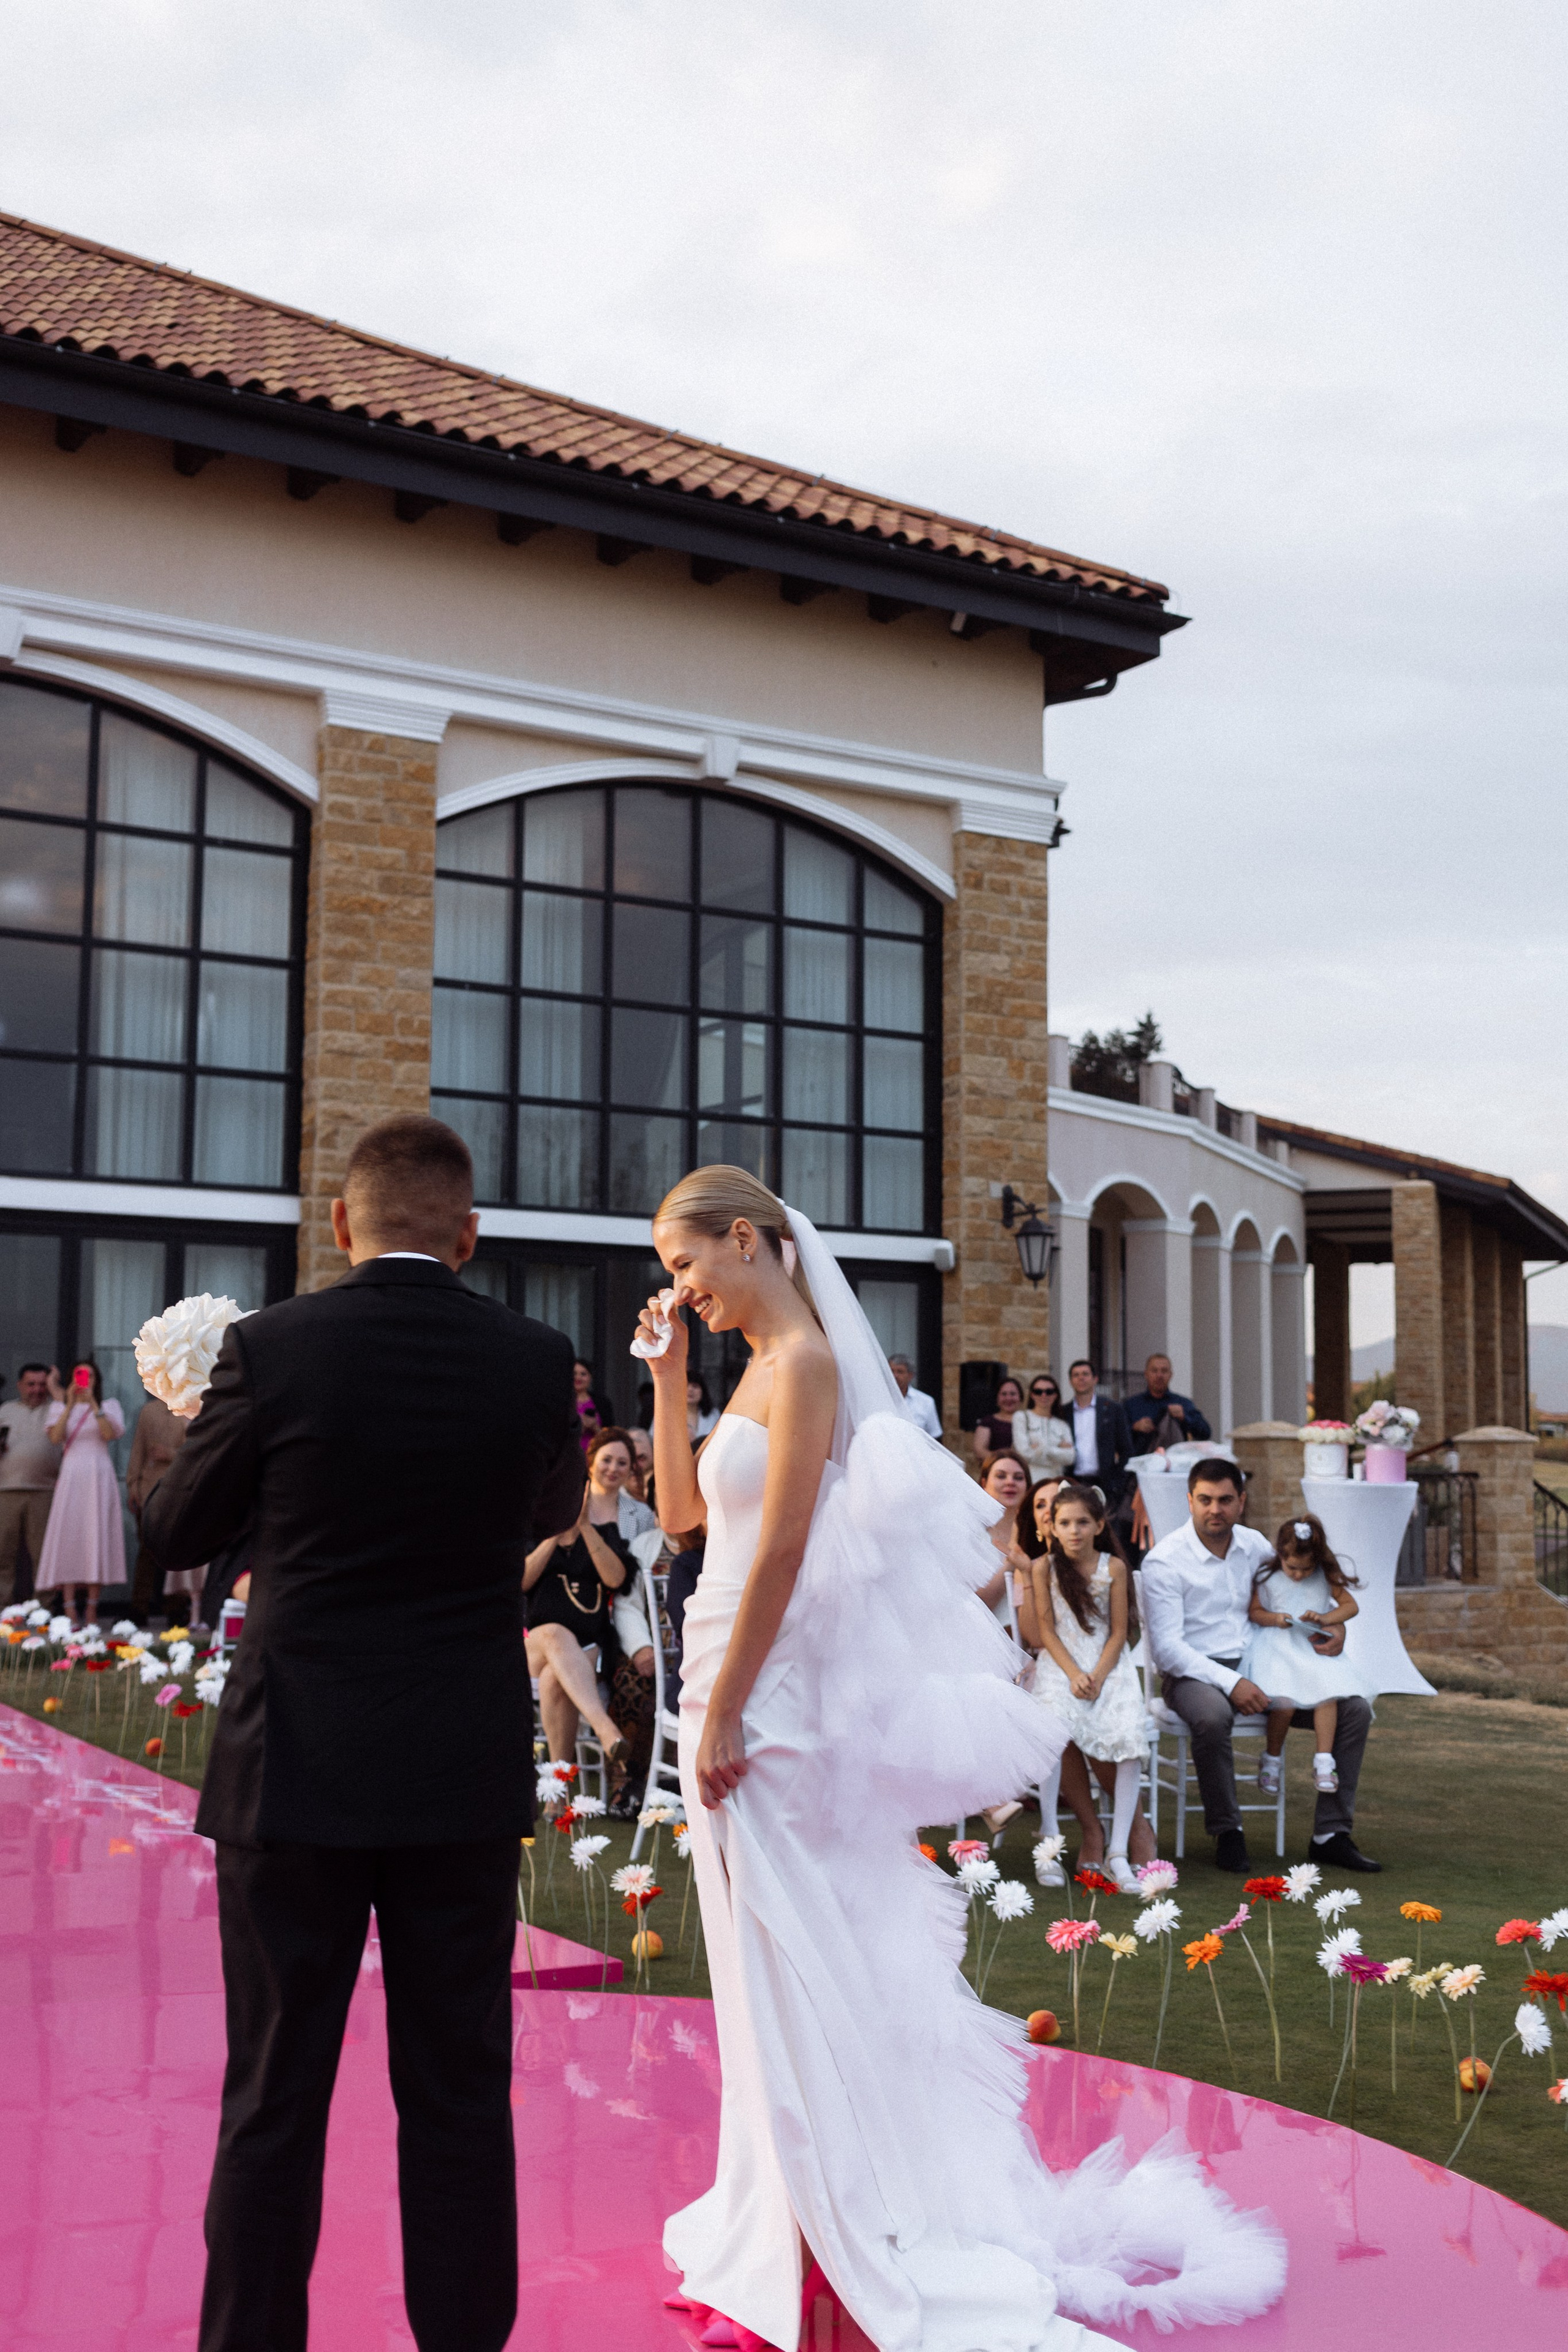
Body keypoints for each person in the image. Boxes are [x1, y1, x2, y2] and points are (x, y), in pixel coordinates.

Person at [640, 1166, 1284, 2349]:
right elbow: (688, 1523)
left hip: (765, 1696)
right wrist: (671, 1380)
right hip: (720, 1670)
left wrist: (726, 1707)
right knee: (746, 1955)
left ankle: (831, 2223)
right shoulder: (751, 1373)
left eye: (687, 1267)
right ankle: (775, 2207)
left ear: (744, 1238)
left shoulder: (818, 1371)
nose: (682, 1290)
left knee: (795, 1953)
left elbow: (782, 1553)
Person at [141, 1112, 586, 2352]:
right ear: (469, 1232)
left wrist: (193, 1417)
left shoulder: (273, 1351)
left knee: (272, 2094)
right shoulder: (532, 1358)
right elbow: (543, 1509)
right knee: (457, 2096)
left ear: (339, 1224)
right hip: (457, 1767)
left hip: (296, 1768)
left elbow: (177, 1530)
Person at [1140, 1457, 1379, 1875]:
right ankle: (1228, 1831)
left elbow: (1297, 1589)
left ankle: (1331, 1834)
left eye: (1226, 1500)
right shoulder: (1166, 1561)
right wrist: (1233, 1682)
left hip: (1267, 1665)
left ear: (1242, 1501)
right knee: (1213, 1717)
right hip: (1195, 1674)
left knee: (1354, 1709)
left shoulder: (1255, 1546)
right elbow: (1168, 1650)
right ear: (1190, 1501)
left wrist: (1334, 1632)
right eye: (1206, 1500)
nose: (1216, 1509)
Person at [1019, 1483, 1151, 1893]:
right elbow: (1046, 1630)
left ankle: (1116, 1852)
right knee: (1053, 1726)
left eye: (1082, 1522)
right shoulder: (1044, 1569)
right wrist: (1075, 1673)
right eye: (1064, 1523)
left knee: (1128, 1737)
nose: (1074, 1531)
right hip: (1061, 1663)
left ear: (1098, 1525)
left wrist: (1097, 1672)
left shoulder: (1113, 1568)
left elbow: (1118, 1632)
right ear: (1052, 1528)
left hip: (1107, 1663)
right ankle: (1051, 1838)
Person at [524, 1452, 637, 1767]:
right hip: (533, 1647)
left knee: (554, 1680)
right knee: (552, 1632)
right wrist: (553, 1538)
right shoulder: (536, 1534)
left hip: (588, 1648)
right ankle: (604, 1727)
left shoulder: (605, 1535)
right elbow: (520, 1581)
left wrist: (585, 1528)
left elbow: (615, 1578)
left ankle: (557, 1793)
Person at [1240, 1515, 1366, 1796]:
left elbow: (1350, 1606)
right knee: (1284, 1700)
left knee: (1327, 1695)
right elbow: (1255, 1612)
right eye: (1292, 1568)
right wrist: (1276, 1618)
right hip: (1277, 1650)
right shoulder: (1268, 1576)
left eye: (1306, 1569)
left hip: (1311, 1648)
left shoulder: (1323, 1576)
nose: (1299, 1575)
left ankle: (1324, 1761)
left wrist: (1324, 1618)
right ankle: (1271, 1760)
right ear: (1281, 1557)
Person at [37, 1360, 126, 1624]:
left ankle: (91, 1609)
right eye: (80, 1375)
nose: (85, 1380)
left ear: (96, 1380)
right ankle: (69, 1609)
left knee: (95, 1538)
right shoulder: (59, 1407)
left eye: (89, 1376)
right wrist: (70, 1402)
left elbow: (109, 1434)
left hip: (99, 1475)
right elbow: (55, 1438)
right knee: (69, 1536)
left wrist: (93, 1405)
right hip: (72, 1475)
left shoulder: (110, 1406)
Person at [0, 1362, 63, 1608]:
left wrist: (55, 1385)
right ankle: (4, 1609)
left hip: (46, 1492)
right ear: (19, 1386)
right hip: (6, 1491)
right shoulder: (5, 1411)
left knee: (44, 1556)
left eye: (42, 1384)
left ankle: (43, 1610)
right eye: (31, 1384)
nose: (37, 1390)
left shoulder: (57, 1409)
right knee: (3, 1554)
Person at [126, 1393, 192, 1621]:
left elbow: (198, 1452)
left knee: (178, 1550)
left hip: (180, 1491)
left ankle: (177, 1608)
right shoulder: (148, 1411)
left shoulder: (192, 1408)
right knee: (147, 1551)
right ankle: (139, 1609)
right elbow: (138, 1449)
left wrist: (171, 1454)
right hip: (149, 1490)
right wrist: (132, 1484)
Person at [1065, 1360, 1132, 1503]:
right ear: (1070, 1381)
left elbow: (1126, 1449)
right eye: (1076, 1375)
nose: (1081, 1378)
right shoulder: (1064, 1413)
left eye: (1085, 1374)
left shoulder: (1113, 1410)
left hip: (1104, 1483)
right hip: (1073, 1482)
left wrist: (1117, 1483)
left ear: (1095, 1379)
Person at [1122, 1354, 1212, 1452]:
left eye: (1164, 1371)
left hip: (1175, 1463)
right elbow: (1116, 1437)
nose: (1159, 1376)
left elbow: (1206, 1433)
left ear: (1171, 1375)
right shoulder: (1131, 1405)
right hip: (1141, 1463)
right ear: (1146, 1374)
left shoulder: (1183, 1403)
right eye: (1154, 1371)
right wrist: (1135, 1427)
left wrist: (1185, 1418)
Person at [1011, 1373, 1075, 1479]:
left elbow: (1070, 1457)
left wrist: (1039, 1448)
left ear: (1055, 1395)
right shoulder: (1022, 1417)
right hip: (1030, 1479)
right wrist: (1058, 1448)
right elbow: (1023, 1454)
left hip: (1056, 1479)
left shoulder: (1062, 1424)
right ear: (1032, 1395)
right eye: (1038, 1392)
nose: (1044, 1395)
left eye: (1049, 1392)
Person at [971, 1372, 1024, 1469]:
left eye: (1013, 1394)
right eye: (1004, 1394)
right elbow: (980, 1450)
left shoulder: (1029, 1421)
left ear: (1020, 1397)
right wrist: (1005, 1461)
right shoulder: (988, 1422)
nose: (1008, 1398)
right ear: (997, 1398)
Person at [887, 1352, 941, 1439]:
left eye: (900, 1372)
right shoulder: (880, 1399)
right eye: (891, 1371)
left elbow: (935, 1435)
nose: (895, 1376)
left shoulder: (926, 1402)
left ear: (910, 1376)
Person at [687, 1374, 720, 1442]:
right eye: (686, 1385)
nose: (690, 1390)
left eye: (695, 1386)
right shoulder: (670, 1416)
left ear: (703, 1392)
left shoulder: (713, 1415)